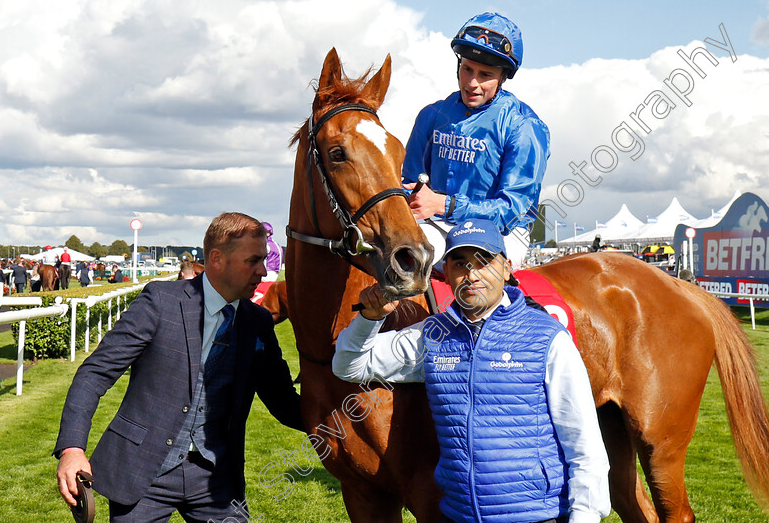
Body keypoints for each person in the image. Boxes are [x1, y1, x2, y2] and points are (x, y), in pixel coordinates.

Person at [333, 218, 610, 523]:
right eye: (460, 263)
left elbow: (583, 444)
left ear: (506, 267)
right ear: (446, 272)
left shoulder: (548, 337)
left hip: (536, 515)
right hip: (458, 515)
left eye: (484, 261)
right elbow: (349, 365)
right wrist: (368, 320)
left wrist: (585, 515)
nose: (472, 274)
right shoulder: (432, 336)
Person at [55, 212, 304, 522]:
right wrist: (72, 449)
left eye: (264, 260)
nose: (264, 271)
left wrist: (345, 420)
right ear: (216, 259)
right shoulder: (160, 302)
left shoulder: (258, 322)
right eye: (253, 261)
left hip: (217, 483)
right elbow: (95, 373)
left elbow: (283, 400)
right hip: (141, 474)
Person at [402, 12, 550, 270]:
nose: (472, 83)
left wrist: (445, 205)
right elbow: (411, 183)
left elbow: (512, 209)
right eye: (467, 69)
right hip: (433, 221)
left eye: (485, 75)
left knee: (437, 261)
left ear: (503, 77)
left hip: (501, 232)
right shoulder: (431, 116)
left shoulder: (525, 127)